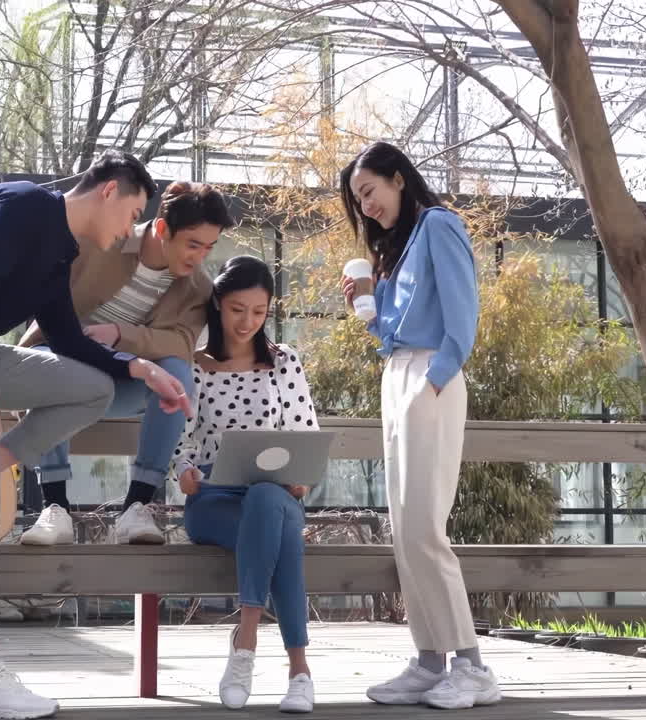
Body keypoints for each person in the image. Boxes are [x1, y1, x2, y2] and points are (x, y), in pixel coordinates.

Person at [0, 150, 191, 720]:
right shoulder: (27, 203)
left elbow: (67, 340)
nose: (130, 229)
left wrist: (141, 368)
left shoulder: (60, 253)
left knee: (93, 387)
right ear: (109, 190)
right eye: (133, 213)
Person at [339, 141, 501, 710]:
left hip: (430, 374)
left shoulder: (438, 225)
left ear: (399, 179)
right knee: (405, 530)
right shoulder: (398, 247)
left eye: (369, 191)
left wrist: (434, 379)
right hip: (398, 373)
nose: (366, 206)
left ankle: (472, 666)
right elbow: (390, 333)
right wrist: (365, 307)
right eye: (358, 200)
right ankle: (431, 660)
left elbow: (463, 312)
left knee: (426, 527)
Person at [15, 180, 234, 546]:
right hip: (60, 366)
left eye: (209, 247)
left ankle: (137, 506)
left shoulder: (198, 287)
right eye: (193, 244)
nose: (199, 256)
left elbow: (181, 344)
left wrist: (120, 333)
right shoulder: (103, 239)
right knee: (45, 368)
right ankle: (55, 507)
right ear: (162, 228)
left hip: (124, 384)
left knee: (177, 373)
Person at [173, 255, 320, 714]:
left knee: (266, 499)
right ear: (218, 303)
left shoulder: (283, 361)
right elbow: (180, 443)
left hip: (275, 495)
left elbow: (304, 434)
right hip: (214, 500)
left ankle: (247, 642)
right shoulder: (194, 365)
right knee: (279, 538)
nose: (247, 322)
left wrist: (300, 478)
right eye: (238, 309)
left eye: (259, 312)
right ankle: (299, 671)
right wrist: (184, 472)